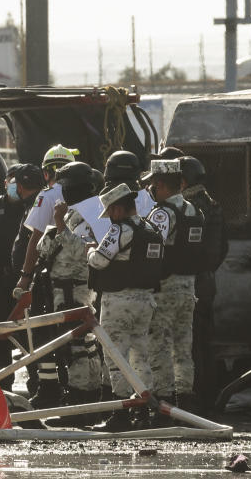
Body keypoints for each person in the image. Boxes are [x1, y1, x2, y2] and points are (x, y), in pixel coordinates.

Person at [87, 181, 163, 431]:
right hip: (145, 301)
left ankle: (120, 414)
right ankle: (143, 410)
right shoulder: (152, 229)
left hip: (119, 301)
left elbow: (99, 261)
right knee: (140, 354)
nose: (109, 217)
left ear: (118, 209)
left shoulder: (120, 231)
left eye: (110, 212)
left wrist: (89, 251)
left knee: (116, 355)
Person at [29, 161, 104, 413]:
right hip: (60, 288)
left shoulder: (87, 213)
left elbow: (79, 250)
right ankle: (65, 393)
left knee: (79, 346)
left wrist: (59, 224)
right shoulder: (79, 211)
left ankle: (82, 399)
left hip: (75, 288)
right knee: (67, 342)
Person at [146, 159, 205, 412]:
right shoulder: (194, 210)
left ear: (160, 185)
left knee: (159, 343)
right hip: (188, 286)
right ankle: (185, 398)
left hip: (165, 286)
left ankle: (164, 400)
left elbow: (152, 248)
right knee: (183, 344)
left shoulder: (162, 213)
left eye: (152, 185)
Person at [0, 164, 43, 389]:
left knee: (27, 332)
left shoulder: (33, 205)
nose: (11, 186)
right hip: (0, 279)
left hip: (23, 279)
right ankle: (2, 383)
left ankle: (36, 379)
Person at [179, 155, 228, 412]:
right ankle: (210, 397)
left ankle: (195, 397)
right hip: (208, 281)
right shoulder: (213, 204)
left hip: (192, 282)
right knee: (206, 342)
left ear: (184, 180)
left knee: (190, 342)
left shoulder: (188, 206)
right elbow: (222, 248)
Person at [13, 144, 78, 299]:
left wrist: (26, 276)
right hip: (83, 269)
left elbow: (36, 236)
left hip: (56, 272)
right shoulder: (87, 193)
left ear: (46, 173)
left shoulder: (47, 196)